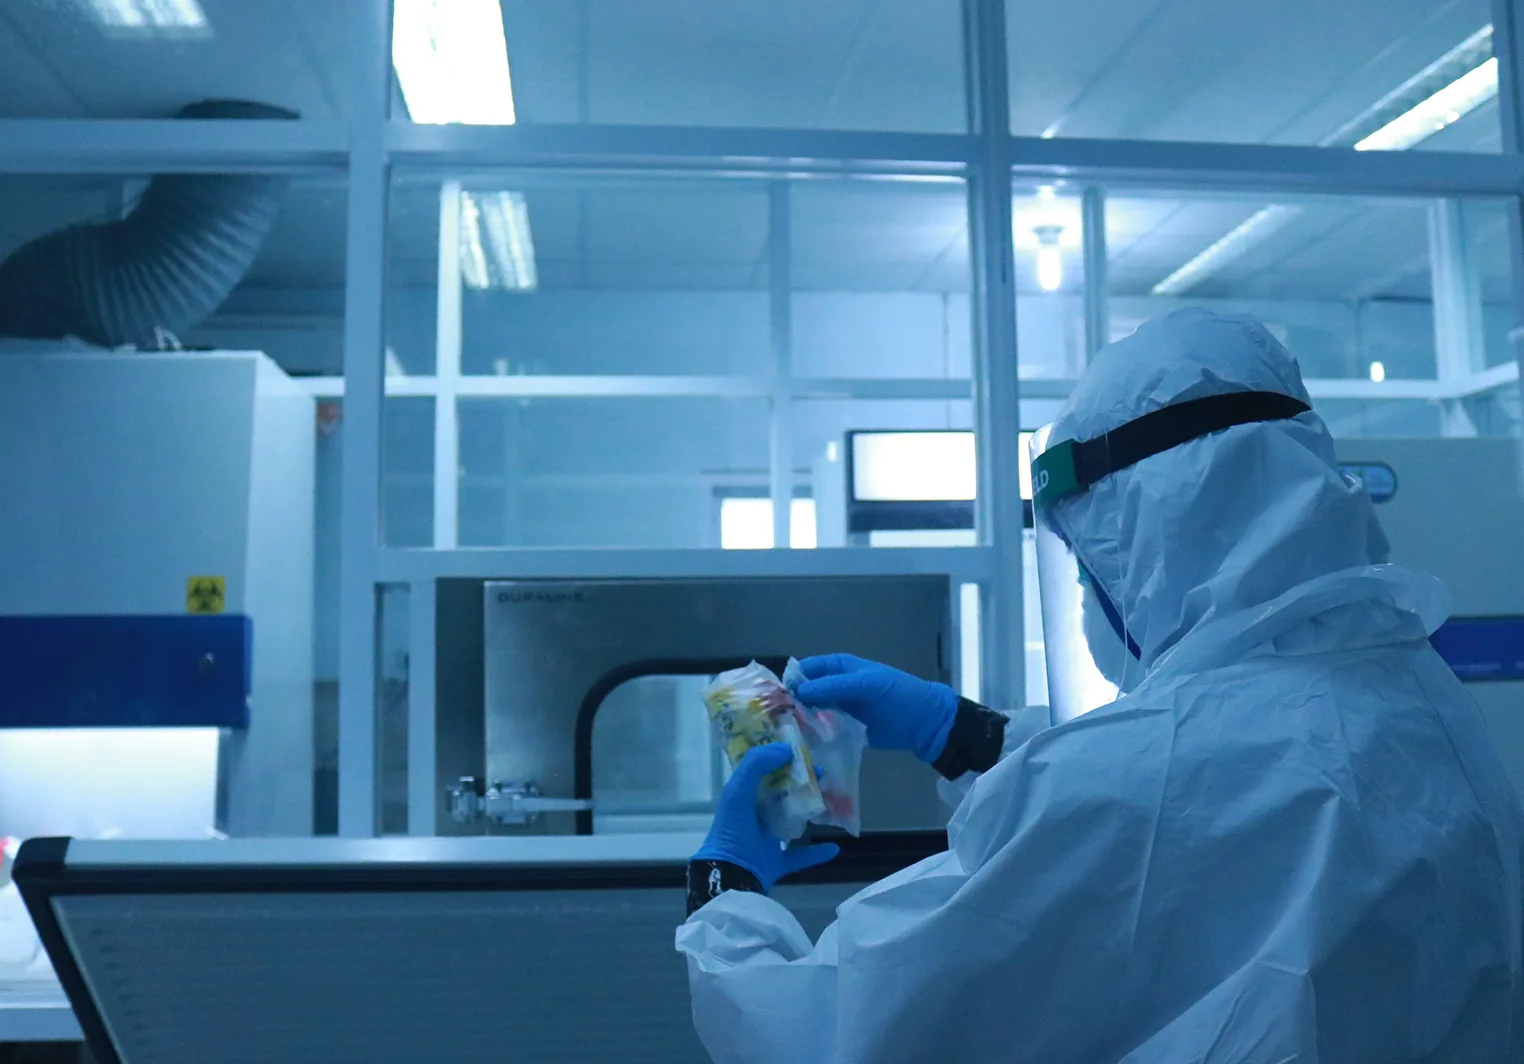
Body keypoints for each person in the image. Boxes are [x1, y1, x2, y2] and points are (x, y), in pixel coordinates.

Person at [675, 308, 1524, 1063]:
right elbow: (1211, 797)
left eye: (1087, 568)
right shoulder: (1418, 696)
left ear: (1145, 544)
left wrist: (725, 897)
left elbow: (830, 1031)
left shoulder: (1148, 778)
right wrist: (966, 733)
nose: (1086, 596)